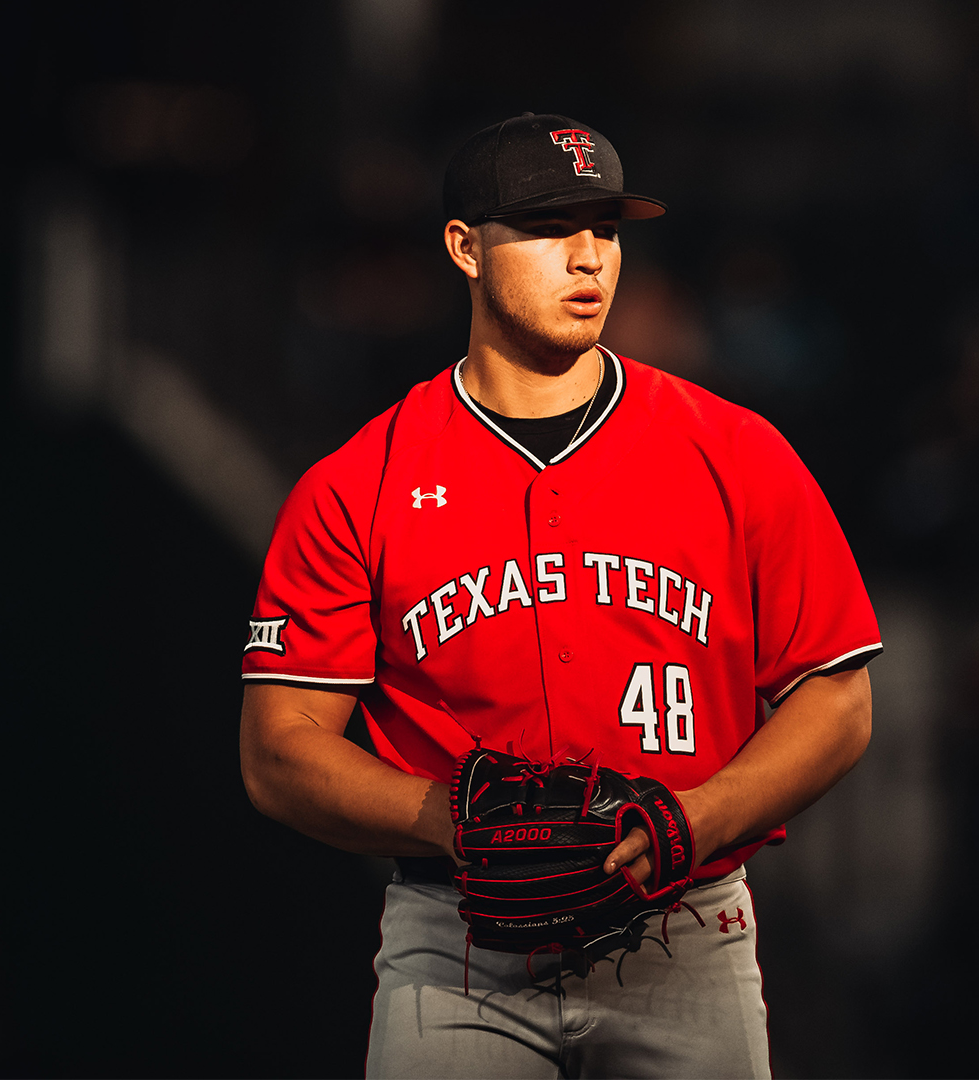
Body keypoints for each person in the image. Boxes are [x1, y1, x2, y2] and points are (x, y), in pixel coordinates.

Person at [239, 112, 882, 1079]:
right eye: (548, 226)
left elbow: (839, 702)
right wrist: (451, 819)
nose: (589, 257)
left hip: (689, 928)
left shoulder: (736, 452)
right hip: (457, 945)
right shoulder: (357, 482)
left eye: (607, 229)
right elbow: (278, 750)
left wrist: (696, 818)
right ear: (464, 247)